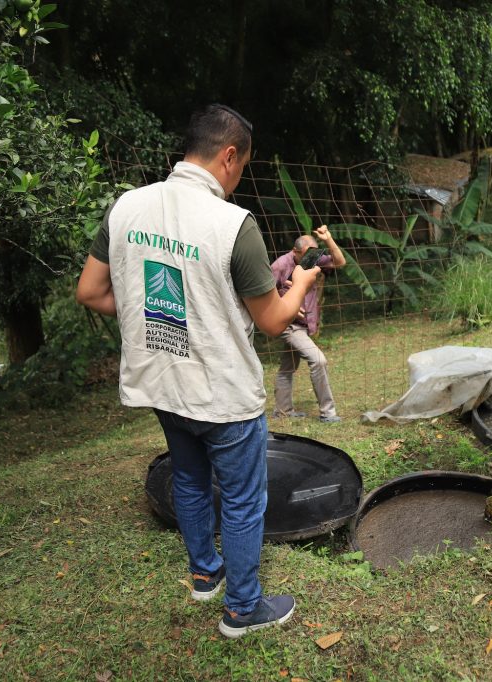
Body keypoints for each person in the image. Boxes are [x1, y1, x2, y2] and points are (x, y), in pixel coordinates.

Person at [75, 104, 317, 639]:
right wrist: (301, 279)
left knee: (187, 477)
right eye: (244, 166)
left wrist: (149, 306)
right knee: (241, 499)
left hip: (162, 382)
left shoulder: (126, 208)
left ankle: (205, 574)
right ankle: (242, 609)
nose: (240, 178)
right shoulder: (233, 224)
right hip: (221, 392)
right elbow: (275, 320)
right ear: (229, 156)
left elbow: (91, 291)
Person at [270, 227, 345, 422]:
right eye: (307, 253)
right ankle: (328, 413)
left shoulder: (311, 260)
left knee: (287, 367)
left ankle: (282, 411)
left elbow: (340, 262)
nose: (312, 258)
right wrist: (288, 306)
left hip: (304, 325)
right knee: (318, 360)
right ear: (295, 251)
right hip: (289, 325)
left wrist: (328, 239)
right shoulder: (280, 265)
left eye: (314, 253)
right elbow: (265, 294)